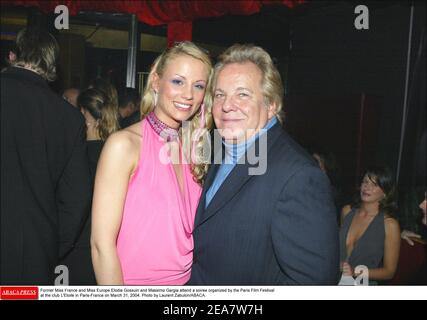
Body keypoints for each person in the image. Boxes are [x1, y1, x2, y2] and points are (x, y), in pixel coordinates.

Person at [188, 44, 339, 285]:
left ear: (272, 105)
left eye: (242, 94)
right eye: (220, 94)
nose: (227, 105)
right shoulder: (221, 149)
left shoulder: (299, 176)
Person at [91, 41, 212, 285]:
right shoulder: (124, 145)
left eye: (198, 86)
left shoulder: (195, 149)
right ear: (156, 82)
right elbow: (101, 245)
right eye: (178, 81)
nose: (188, 94)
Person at [1, 28, 91, 284]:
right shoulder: (68, 117)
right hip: (31, 253)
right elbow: (77, 197)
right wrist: (50, 243)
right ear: (52, 68)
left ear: (11, 56)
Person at [60, 88, 119, 284]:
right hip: (110, 251)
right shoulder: (118, 151)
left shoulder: (78, 155)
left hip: (78, 247)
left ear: (85, 114)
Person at [339, 166, 401, 285]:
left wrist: (355, 271)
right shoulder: (346, 211)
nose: (367, 187)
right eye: (365, 182)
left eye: (374, 184)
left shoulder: (389, 224)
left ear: (385, 193)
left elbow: (389, 272)